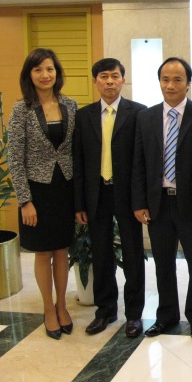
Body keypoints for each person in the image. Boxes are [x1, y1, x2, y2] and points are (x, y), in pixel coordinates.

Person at [132, 57, 192, 340]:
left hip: (191, 205)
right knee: (163, 263)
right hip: (158, 203)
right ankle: (166, 316)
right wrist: (139, 202)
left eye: (177, 79)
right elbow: (139, 163)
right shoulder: (146, 117)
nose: (170, 85)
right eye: (165, 79)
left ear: (188, 84)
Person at [73, 58, 147, 338]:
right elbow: (78, 162)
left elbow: (141, 162)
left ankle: (134, 315)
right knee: (101, 253)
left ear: (123, 80)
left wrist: (141, 200)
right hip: (96, 194)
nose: (109, 81)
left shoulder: (139, 113)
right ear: (95, 82)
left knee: (133, 254)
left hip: (127, 195)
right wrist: (79, 203)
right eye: (103, 77)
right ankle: (105, 310)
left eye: (114, 76)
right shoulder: (84, 116)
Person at [7, 48, 78, 340]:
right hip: (36, 190)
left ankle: (62, 306)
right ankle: (48, 308)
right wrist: (25, 200)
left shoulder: (70, 105)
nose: (45, 75)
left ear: (57, 73)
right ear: (30, 75)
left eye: (49, 69)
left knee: (61, 249)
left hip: (64, 188)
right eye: (38, 70)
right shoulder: (20, 109)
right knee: (42, 251)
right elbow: (14, 157)